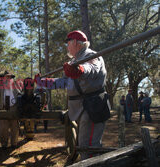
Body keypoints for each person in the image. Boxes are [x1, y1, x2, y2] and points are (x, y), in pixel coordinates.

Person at [35, 30, 109, 160]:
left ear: (75, 42)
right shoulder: (73, 62)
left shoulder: (91, 55)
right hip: (82, 107)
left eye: (68, 43)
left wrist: (80, 70)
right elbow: (64, 82)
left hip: (93, 106)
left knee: (89, 147)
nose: (67, 46)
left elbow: (91, 69)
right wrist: (44, 82)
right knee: (85, 146)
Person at [0, 71, 21, 148]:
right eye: (7, 77)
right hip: (3, 109)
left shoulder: (15, 87)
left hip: (13, 109)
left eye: (10, 77)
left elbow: (20, 95)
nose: (9, 78)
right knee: (3, 129)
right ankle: (4, 144)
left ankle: (14, 144)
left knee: (15, 128)